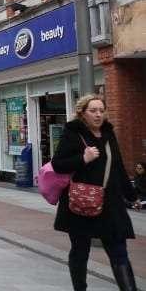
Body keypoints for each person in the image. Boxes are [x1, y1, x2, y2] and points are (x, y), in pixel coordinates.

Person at [51, 94, 140, 291]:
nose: (98, 115)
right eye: (93, 111)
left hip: (110, 204)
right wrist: (83, 159)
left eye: (101, 110)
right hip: (81, 204)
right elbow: (58, 164)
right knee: (80, 252)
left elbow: (118, 167)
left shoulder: (108, 134)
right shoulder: (73, 133)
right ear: (82, 113)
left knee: (119, 251)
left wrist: (132, 196)